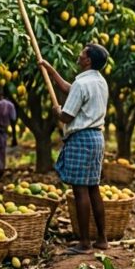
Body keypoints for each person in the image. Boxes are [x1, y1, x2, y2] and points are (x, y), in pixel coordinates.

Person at [39, 44, 110, 254]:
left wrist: (57, 112)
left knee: (80, 190)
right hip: (96, 138)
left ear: (88, 60)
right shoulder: (99, 81)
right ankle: (102, 239)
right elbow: (69, 88)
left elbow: (67, 116)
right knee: (93, 188)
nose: (79, 54)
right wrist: (51, 71)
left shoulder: (82, 83)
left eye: (83, 52)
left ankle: (85, 242)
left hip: (81, 138)